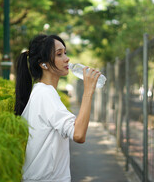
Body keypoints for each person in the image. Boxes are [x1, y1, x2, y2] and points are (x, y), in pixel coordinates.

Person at [14, 34, 101, 182]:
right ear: (43, 64)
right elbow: (78, 134)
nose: (66, 58)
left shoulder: (42, 92)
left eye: (65, 53)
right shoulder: (45, 95)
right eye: (59, 54)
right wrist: (88, 92)